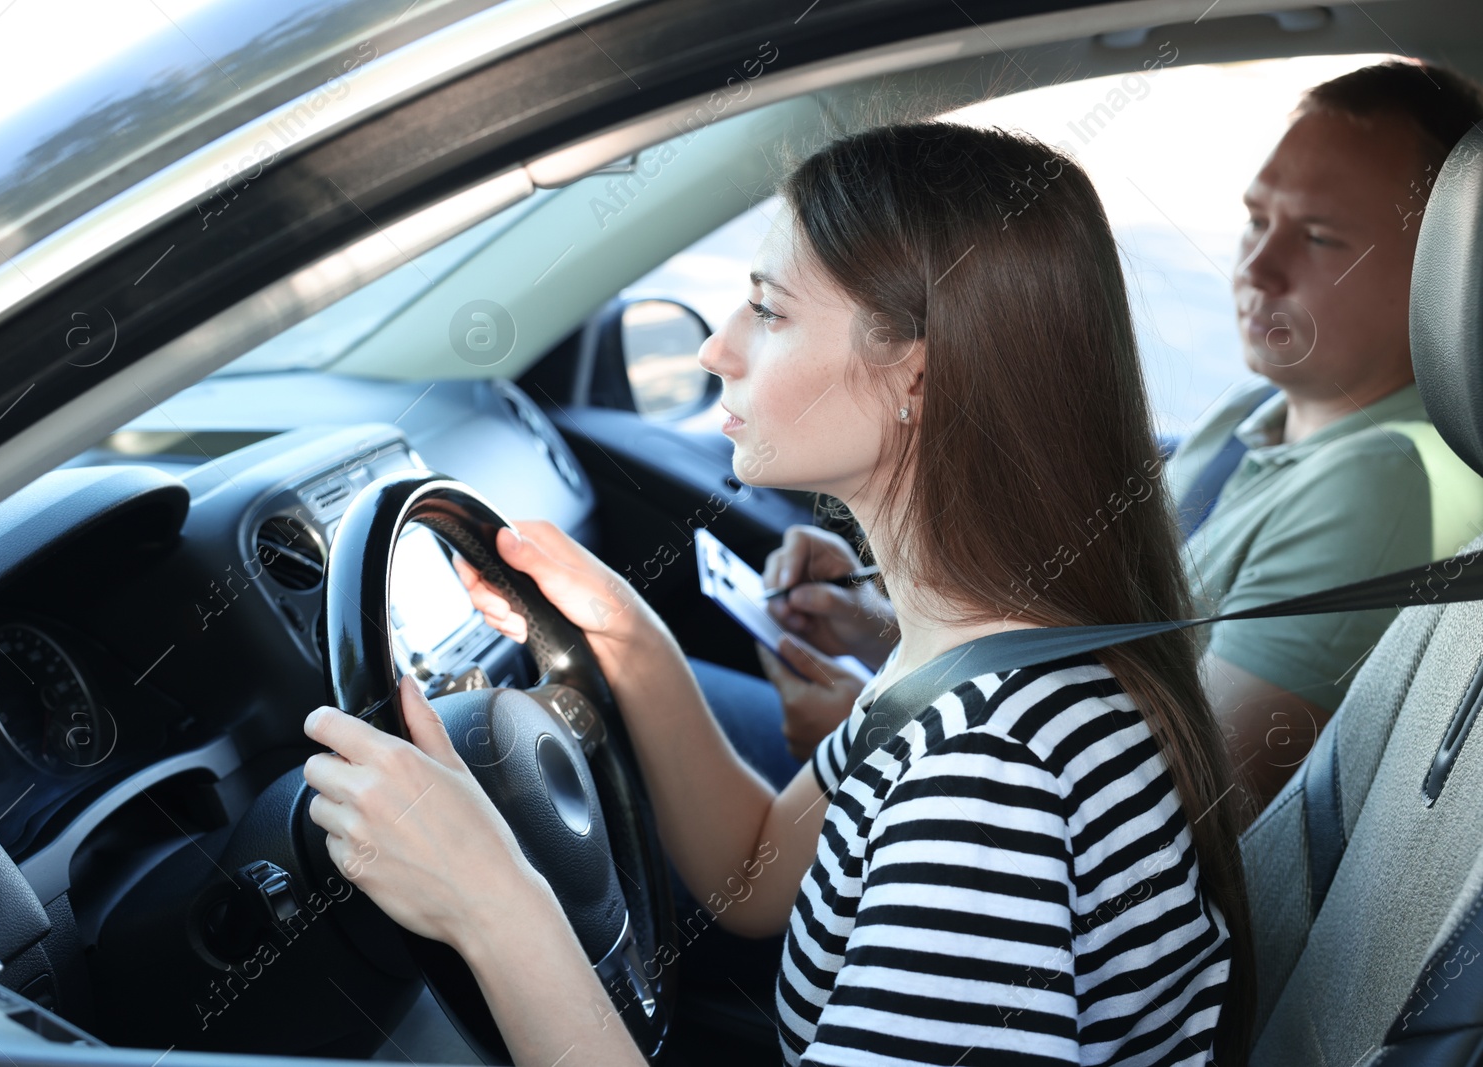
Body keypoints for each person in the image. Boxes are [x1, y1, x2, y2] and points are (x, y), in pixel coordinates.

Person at [298, 121, 1255, 1065]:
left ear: (916, 373)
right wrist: (624, 636)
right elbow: (755, 873)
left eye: (768, 310)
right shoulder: (974, 658)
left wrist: (488, 902)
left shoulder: (991, 786)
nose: (715, 348)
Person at [741, 59, 1483, 821]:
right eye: (1258, 220)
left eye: (1321, 237)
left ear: (1447, 264)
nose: (1258, 266)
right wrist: (880, 622)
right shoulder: (1254, 411)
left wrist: (886, 736)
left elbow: (1191, 798)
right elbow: (1103, 648)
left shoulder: (1387, 481)